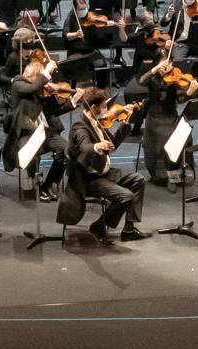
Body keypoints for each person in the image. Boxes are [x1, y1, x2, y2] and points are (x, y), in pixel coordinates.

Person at [59, 87, 147, 243]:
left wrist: (126, 122)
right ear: (93, 108)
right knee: (126, 196)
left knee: (139, 180)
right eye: (103, 106)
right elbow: (84, 146)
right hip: (89, 179)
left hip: (104, 172)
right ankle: (99, 226)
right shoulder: (80, 127)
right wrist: (97, 146)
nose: (106, 110)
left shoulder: (95, 120)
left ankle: (128, 229)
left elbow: (113, 144)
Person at [139, 36, 198, 185]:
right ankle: (163, 174)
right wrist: (155, 70)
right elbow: (141, 81)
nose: (167, 66)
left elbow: (179, 100)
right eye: (163, 63)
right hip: (155, 117)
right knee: (166, 138)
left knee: (185, 137)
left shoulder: (176, 76)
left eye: (169, 62)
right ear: (157, 63)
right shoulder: (152, 77)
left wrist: (190, 92)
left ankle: (176, 171)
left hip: (171, 115)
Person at [6, 54, 69, 200]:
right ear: (34, 75)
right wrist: (46, 71)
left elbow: (53, 110)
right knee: (32, 156)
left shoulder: (40, 89)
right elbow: (33, 87)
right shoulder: (18, 84)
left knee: (65, 151)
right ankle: (37, 186)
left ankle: (48, 184)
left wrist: (68, 99)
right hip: (26, 133)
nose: (45, 83)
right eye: (41, 78)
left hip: (45, 132)